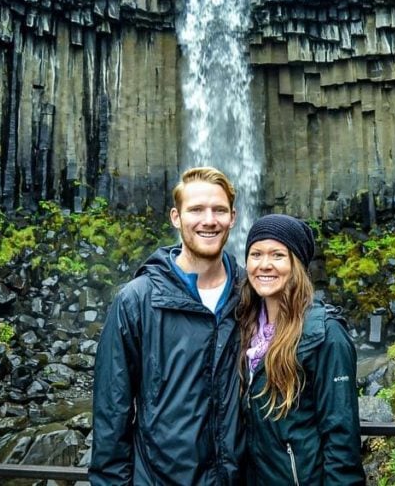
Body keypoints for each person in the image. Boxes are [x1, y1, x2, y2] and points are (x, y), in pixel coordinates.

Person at [90, 166, 245, 485]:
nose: (209, 220)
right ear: (176, 217)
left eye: (219, 210)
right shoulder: (136, 301)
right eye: (196, 210)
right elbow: (111, 414)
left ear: (233, 217)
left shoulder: (251, 294)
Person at [239, 214, 366, 485]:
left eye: (277, 255)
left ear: (296, 263)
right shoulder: (242, 327)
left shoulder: (325, 336)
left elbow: (341, 440)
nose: (264, 265)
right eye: (256, 254)